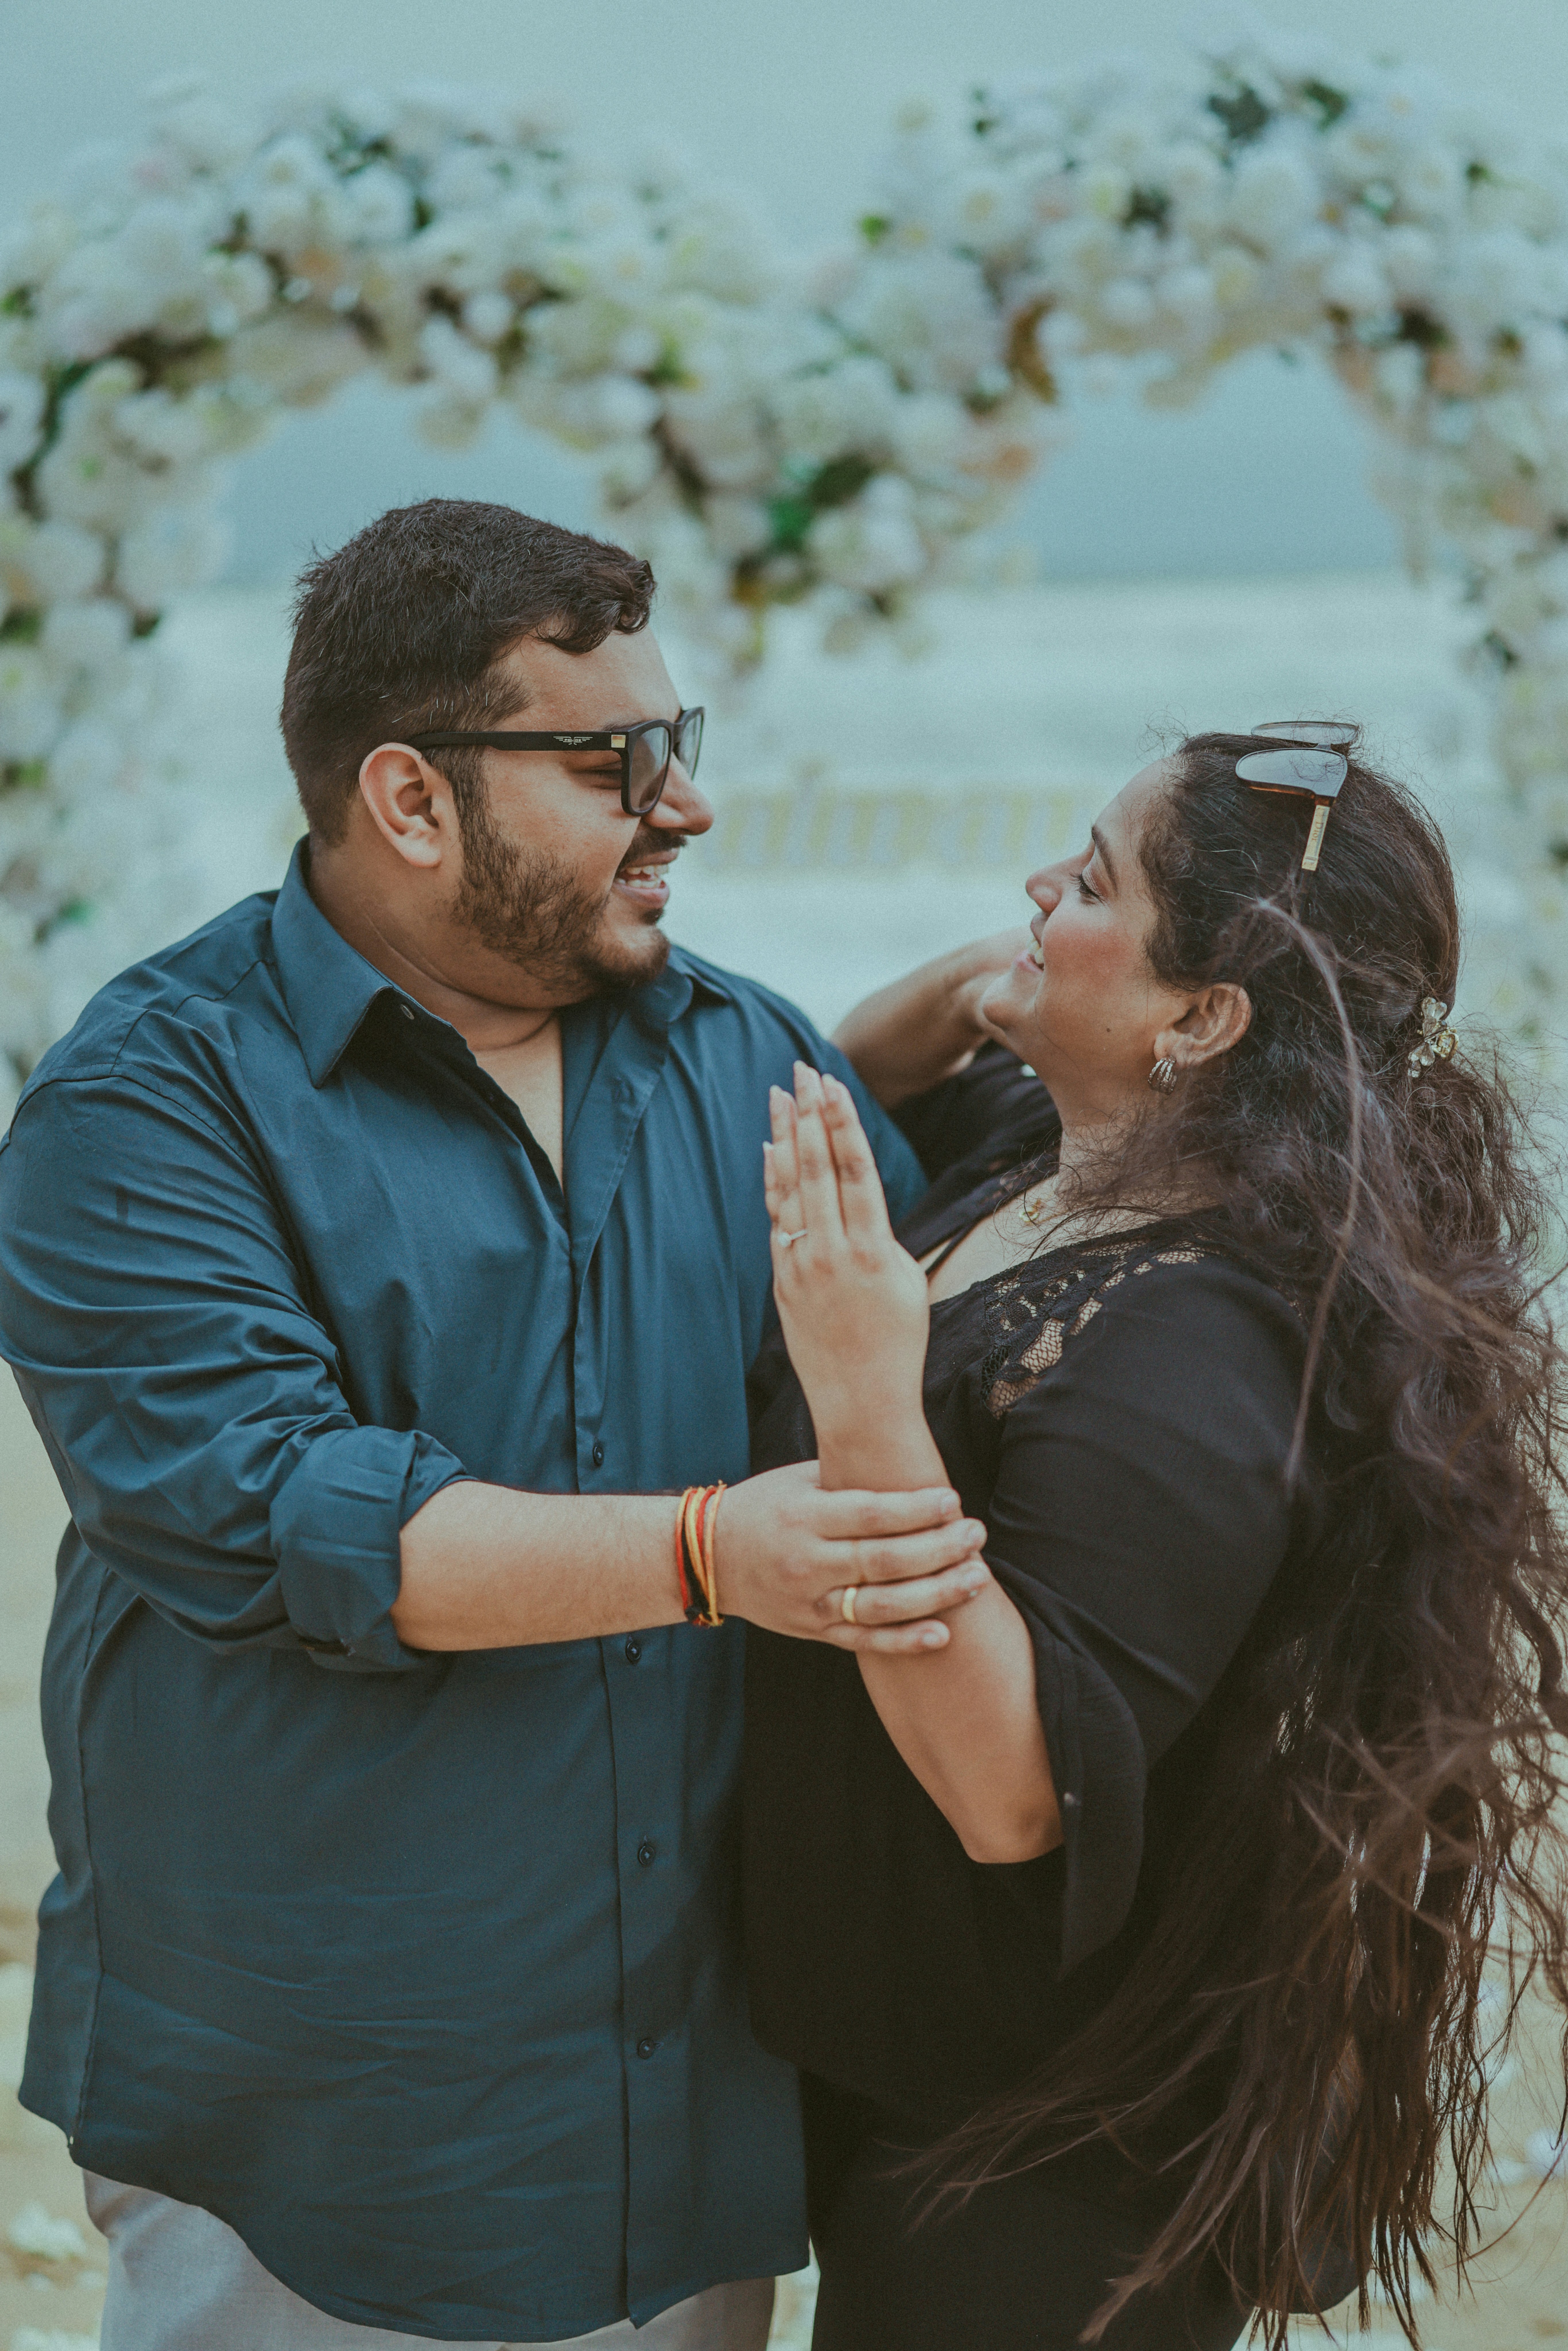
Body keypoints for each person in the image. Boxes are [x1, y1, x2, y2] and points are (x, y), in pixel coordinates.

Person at [0, 499, 994, 2351]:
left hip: (688, 2106)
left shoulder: (757, 1059)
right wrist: (718, 1554)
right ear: (406, 798)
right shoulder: (139, 1110)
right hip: (327, 2127)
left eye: (675, 749)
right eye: (616, 762)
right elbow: (278, 1512)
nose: (679, 806)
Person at [743, 730, 1568, 2349]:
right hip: (901, 2070)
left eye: (1090, 877)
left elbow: (1015, 1789)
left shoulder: (1203, 1342)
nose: (1037, 889)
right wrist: (1021, 966)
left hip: (1041, 2164)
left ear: (1199, 1019)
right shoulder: (1052, 1151)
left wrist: (863, 1392)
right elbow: (871, 1073)